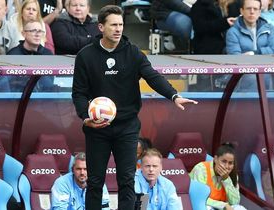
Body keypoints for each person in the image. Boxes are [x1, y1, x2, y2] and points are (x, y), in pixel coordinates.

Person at [71, 5, 198, 210]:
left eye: (121, 24)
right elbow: (78, 93)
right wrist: (86, 117)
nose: (118, 29)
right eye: (113, 25)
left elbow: (152, 76)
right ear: (101, 27)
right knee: (94, 182)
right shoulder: (85, 56)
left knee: (127, 181)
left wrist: (173, 95)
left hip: (127, 126)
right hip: (97, 127)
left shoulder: (133, 53)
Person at [189, 143, 245, 210]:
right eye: (224, 161)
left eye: (230, 163)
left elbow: (235, 202)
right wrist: (223, 205)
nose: (226, 166)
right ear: (215, 159)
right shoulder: (201, 169)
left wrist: (226, 179)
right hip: (202, 205)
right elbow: (199, 198)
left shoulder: (233, 175)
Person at [7, 20, 55, 92]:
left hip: (44, 98)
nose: (37, 34)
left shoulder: (48, 54)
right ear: (23, 34)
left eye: (40, 31)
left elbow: (49, 84)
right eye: (33, 31)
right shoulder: (13, 55)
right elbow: (9, 84)